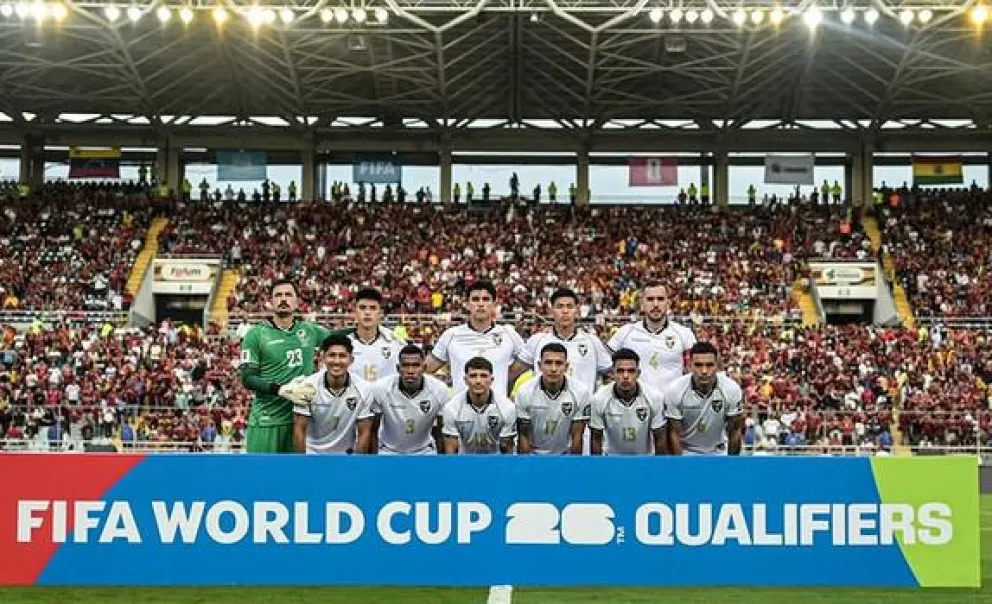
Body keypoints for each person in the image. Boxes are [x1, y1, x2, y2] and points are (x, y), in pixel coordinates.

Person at [239, 280, 344, 453]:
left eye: (288, 295)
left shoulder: (309, 331)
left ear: (296, 302)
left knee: (298, 471)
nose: (283, 299)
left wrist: (368, 329)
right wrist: (280, 390)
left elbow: (338, 338)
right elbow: (248, 378)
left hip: (301, 422)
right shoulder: (256, 335)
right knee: (261, 470)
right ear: (270, 302)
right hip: (267, 421)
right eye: (278, 295)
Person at [425, 280, 526, 399]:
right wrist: (441, 395)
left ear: (494, 304)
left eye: (486, 299)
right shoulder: (451, 335)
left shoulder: (509, 334)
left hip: (498, 408)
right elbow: (424, 370)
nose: (481, 304)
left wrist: (508, 378)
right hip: (461, 408)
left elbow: (528, 363)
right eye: (475, 299)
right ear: (467, 304)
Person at [607, 282, 696, 393]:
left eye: (660, 299)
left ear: (668, 302)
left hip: (672, 402)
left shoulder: (684, 334)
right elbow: (608, 368)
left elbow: (694, 372)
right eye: (650, 299)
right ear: (642, 303)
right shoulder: (625, 333)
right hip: (638, 402)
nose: (655, 304)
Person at [293, 334, 375, 454]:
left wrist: (357, 463)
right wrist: (303, 462)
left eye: (342, 356)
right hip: (313, 454)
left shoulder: (364, 389)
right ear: (323, 358)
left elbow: (364, 432)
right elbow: (299, 429)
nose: (337, 361)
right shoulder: (307, 387)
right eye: (332, 355)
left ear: (351, 360)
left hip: (347, 456)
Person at [518, 288, 611, 393]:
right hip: (544, 403)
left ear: (577, 310)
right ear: (551, 311)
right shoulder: (536, 341)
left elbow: (611, 375)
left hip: (583, 403)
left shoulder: (593, 342)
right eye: (560, 306)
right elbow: (513, 374)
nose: (565, 311)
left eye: (569, 306)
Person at [665, 342, 745, 456]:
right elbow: (673, 433)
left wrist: (731, 464)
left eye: (709, 365)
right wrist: (681, 464)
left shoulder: (731, 389)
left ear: (717, 366)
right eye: (698, 365)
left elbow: (735, 431)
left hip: (718, 452)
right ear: (690, 366)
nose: (704, 371)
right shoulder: (675, 390)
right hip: (686, 452)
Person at [371, 344, 450, 455]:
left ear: (424, 368)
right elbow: (373, 429)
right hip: (388, 451)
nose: (410, 371)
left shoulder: (439, 389)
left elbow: (442, 431)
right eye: (405, 365)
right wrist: (373, 461)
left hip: (425, 451)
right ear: (398, 369)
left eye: (416, 365)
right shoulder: (381, 388)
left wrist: (442, 461)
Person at [515, 343, 590, 455]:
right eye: (548, 363)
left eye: (559, 363)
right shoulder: (524, 392)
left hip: (565, 455)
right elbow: (523, 436)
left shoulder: (580, 392)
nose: (553, 369)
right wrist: (527, 463)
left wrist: (573, 464)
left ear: (566, 366)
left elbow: (577, 437)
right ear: (539, 365)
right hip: (534, 455)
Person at [589, 348, 666, 456]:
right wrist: (598, 465)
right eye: (620, 371)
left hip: (645, 459)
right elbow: (596, 439)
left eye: (631, 371)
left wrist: (658, 465)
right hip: (612, 459)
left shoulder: (654, 397)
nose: (625, 376)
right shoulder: (599, 399)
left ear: (638, 373)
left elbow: (660, 437)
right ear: (612, 373)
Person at [441, 357, 517, 454]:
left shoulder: (507, 408)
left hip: (496, 459)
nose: (478, 381)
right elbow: (451, 451)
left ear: (491, 380)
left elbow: (507, 451)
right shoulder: (452, 408)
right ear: (465, 380)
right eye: (473, 376)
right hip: (465, 460)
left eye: (483, 376)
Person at [347, 288, 406, 383]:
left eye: (373, 308)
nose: (367, 313)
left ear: (380, 313)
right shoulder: (344, 345)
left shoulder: (397, 344)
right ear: (355, 312)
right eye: (362, 308)